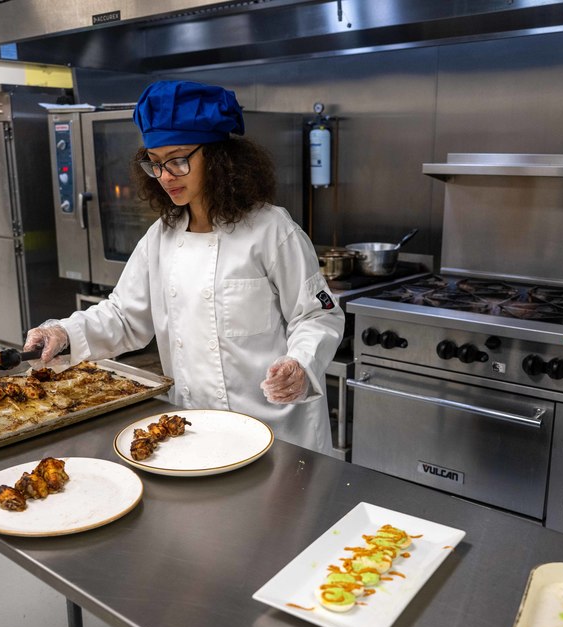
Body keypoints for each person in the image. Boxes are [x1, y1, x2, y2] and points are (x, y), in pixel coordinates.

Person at [24, 80, 345, 454]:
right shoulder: (161, 237)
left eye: (178, 160)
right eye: (155, 163)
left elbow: (316, 317)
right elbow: (125, 316)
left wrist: (300, 365)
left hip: (278, 432)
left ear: (220, 158)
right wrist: (63, 332)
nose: (165, 176)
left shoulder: (272, 231)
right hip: (195, 429)